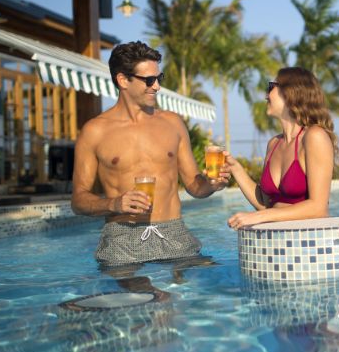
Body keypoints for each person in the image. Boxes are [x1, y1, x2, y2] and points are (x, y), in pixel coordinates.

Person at [71, 41, 228, 271]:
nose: (156, 87)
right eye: (148, 80)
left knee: (219, 283)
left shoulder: (173, 123)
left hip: (174, 233)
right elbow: (78, 201)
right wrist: (114, 203)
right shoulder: (95, 132)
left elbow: (195, 186)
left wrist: (212, 184)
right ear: (123, 80)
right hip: (122, 240)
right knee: (145, 299)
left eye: (158, 78)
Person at [224, 67, 337, 229]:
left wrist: (261, 216)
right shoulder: (274, 143)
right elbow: (265, 204)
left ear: (291, 92)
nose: (266, 95)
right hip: (282, 244)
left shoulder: (314, 137)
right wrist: (235, 168)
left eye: (271, 87)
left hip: (310, 244)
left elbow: (319, 208)